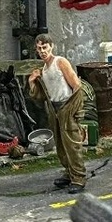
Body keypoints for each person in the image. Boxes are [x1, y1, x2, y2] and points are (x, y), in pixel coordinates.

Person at [28, 33, 87, 194]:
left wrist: (75, 110)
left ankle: (78, 178)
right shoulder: (44, 70)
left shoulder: (60, 62)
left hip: (67, 107)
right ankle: (69, 173)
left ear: (51, 46)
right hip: (55, 110)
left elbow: (76, 86)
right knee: (61, 146)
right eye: (39, 48)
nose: (42, 51)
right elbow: (41, 96)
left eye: (44, 47)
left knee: (72, 145)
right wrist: (32, 81)